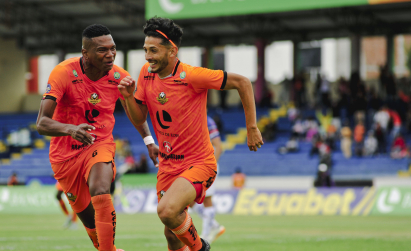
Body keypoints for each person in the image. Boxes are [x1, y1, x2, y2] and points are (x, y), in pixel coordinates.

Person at [118, 17, 263, 251]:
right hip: (168, 165)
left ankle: (200, 248)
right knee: (172, 234)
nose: (148, 56)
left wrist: (252, 127)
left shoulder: (192, 76)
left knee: (167, 211)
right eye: (145, 50)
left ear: (172, 51)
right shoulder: (146, 73)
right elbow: (139, 118)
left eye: (154, 50)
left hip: (199, 163)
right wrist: (127, 97)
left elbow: (243, 82)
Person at [36, 24, 159, 251]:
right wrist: (71, 129)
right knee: (94, 230)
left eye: (113, 49)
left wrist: (149, 141)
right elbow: (42, 123)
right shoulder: (63, 72)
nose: (110, 54)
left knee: (101, 189)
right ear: (86, 54)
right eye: (103, 50)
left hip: (99, 143)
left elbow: (135, 114)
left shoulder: (120, 77)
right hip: (64, 156)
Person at [190, 116, 225, 243]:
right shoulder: (190, 118)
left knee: (207, 200)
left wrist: (210, 167)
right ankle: (214, 226)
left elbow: (218, 147)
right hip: (194, 166)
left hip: (207, 166)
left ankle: (205, 236)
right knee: (190, 201)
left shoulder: (207, 121)